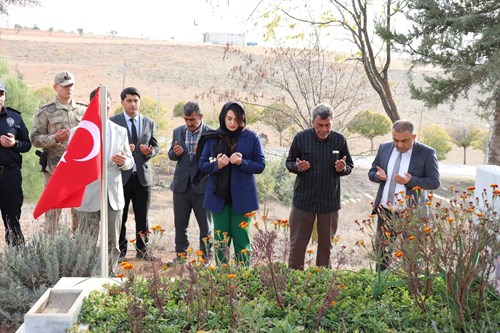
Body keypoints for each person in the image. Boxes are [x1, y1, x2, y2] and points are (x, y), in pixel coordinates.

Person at [73, 88, 134, 276]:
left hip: (113, 196)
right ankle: (86, 277)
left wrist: (124, 162)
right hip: (88, 196)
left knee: (113, 242)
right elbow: (71, 165)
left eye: (107, 107)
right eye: (100, 107)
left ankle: (110, 277)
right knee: (86, 241)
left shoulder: (120, 131)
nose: (104, 111)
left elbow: (130, 161)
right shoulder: (78, 132)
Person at [286, 103, 354, 270]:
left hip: (329, 201)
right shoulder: (301, 138)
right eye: (320, 125)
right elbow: (289, 162)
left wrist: (342, 169)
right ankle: (293, 280)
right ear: (312, 122)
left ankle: (322, 281)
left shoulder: (339, 140)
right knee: (297, 244)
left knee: (326, 245)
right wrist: (297, 167)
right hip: (303, 200)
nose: (324, 129)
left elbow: (349, 166)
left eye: (328, 125)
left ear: (332, 122)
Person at [198, 101, 265, 265]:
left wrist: (242, 163)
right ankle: (222, 280)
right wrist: (217, 165)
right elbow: (202, 165)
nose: (233, 123)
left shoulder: (251, 137)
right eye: (229, 118)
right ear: (223, 117)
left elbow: (260, 165)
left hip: (243, 198)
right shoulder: (213, 137)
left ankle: (244, 279)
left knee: (242, 240)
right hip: (218, 198)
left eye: (237, 119)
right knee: (221, 241)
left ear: (243, 119)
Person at [368, 119, 440, 271]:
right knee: (382, 256)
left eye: (404, 141)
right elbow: (372, 172)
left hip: (411, 214)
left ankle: (410, 290)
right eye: (396, 140)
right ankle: (380, 288)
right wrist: (377, 176)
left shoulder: (427, 153)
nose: (399, 145)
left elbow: (434, 182)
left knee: (411, 257)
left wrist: (411, 181)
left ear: (413, 137)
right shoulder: (384, 148)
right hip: (386, 212)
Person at [31, 71, 87, 233]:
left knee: (79, 211)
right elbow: (35, 139)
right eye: (64, 86)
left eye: (71, 85)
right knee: (53, 212)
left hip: (78, 168)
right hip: (54, 167)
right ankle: (52, 248)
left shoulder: (84, 110)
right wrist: (54, 138)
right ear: (56, 87)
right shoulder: (45, 111)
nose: (68, 89)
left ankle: (79, 248)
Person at [110, 87, 159, 261]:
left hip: (142, 177)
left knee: (142, 216)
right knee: (120, 217)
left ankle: (143, 250)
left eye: (136, 100)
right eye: (129, 100)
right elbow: (109, 147)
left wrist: (149, 153)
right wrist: (123, 151)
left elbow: (155, 145)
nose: (133, 104)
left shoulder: (148, 122)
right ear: (122, 102)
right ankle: (120, 251)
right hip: (121, 177)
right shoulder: (113, 121)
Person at [168, 101, 212, 262]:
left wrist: (203, 155)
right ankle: (180, 256)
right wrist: (175, 152)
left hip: (203, 187)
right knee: (180, 225)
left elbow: (215, 160)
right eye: (186, 119)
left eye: (192, 120)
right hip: (181, 186)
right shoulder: (178, 131)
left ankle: (205, 258)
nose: (189, 123)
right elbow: (171, 155)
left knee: (205, 227)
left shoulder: (211, 133)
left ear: (200, 116)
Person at [0, 80, 31, 246]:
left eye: (1, 93)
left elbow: (27, 144)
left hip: (9, 175)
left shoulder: (14, 117)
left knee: (12, 218)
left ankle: (17, 259)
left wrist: (15, 144)